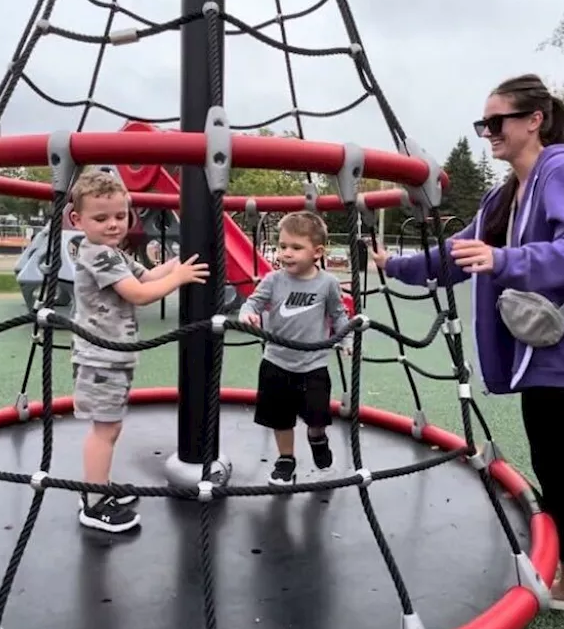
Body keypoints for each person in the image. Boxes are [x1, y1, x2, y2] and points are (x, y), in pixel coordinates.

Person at [371, 74, 564, 629]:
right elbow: (459, 255)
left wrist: (503, 261)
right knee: (556, 479)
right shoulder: (506, 194)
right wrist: (393, 266)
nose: (487, 133)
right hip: (543, 361)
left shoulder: (562, 167)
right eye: (482, 124)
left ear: (535, 120)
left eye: (496, 122)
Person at [68, 169, 209, 532]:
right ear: (77, 219)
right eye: (101, 218)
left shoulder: (112, 252)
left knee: (109, 427)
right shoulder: (98, 254)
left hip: (112, 354)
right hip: (100, 357)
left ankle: (99, 486)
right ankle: (93, 501)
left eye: (120, 216)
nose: (114, 224)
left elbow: (146, 275)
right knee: (105, 429)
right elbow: (140, 295)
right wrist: (178, 280)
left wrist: (180, 262)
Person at [238, 211, 352, 486]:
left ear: (317, 252)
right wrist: (246, 314)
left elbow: (339, 315)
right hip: (276, 362)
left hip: (313, 366)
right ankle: (286, 459)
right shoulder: (273, 280)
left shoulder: (327, 284)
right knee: (281, 418)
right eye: (282, 246)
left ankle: (318, 441)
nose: (286, 253)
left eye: (296, 248)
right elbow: (252, 303)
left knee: (316, 419)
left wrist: (346, 339)